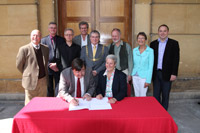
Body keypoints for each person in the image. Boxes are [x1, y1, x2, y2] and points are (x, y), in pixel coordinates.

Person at [150, 24, 180, 110]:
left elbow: (176, 59)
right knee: (156, 95)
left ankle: (164, 113)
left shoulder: (174, 43)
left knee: (165, 95)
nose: (162, 33)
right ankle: (157, 112)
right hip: (156, 74)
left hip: (167, 74)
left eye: (164, 31)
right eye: (160, 31)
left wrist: (174, 73)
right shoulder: (153, 44)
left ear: (168, 32)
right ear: (158, 32)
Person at [16, 29, 49, 105]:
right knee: (29, 104)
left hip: (42, 80)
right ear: (30, 37)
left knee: (42, 102)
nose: (35, 37)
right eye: (33, 35)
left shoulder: (45, 48)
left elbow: (45, 62)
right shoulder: (24, 49)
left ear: (40, 37)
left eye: (37, 35)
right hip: (30, 80)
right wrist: (28, 73)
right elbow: (19, 65)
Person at [41, 22, 65, 97]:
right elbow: (42, 55)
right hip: (48, 68)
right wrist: (49, 65)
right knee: (49, 87)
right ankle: (50, 102)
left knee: (59, 86)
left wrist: (57, 65)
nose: (53, 29)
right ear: (48, 29)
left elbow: (63, 54)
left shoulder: (61, 40)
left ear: (56, 29)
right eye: (51, 28)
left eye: (54, 28)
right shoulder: (43, 40)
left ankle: (58, 101)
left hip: (58, 67)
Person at [132, 32, 154, 97]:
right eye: (139, 38)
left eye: (142, 38)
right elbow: (132, 64)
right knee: (136, 95)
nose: (140, 40)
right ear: (137, 40)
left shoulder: (150, 51)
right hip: (135, 75)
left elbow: (150, 66)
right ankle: (137, 107)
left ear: (145, 40)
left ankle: (142, 107)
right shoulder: (134, 50)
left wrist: (148, 80)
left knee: (142, 96)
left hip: (144, 77)